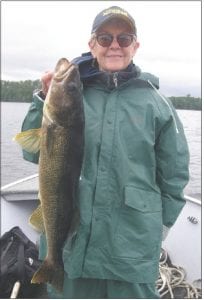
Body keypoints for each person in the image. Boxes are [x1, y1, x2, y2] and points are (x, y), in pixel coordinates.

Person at [21, 5, 189, 299]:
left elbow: (174, 176)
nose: (114, 45)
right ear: (92, 44)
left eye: (124, 39)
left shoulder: (158, 104)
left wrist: (159, 227)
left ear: (135, 46)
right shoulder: (73, 92)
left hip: (131, 252)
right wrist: (42, 101)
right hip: (73, 250)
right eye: (104, 38)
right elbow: (34, 154)